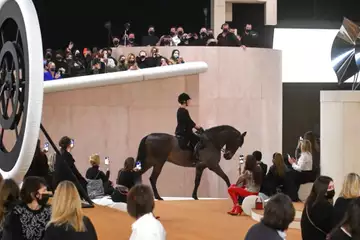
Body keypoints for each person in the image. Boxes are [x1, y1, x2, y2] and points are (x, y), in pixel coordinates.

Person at [301, 176, 335, 240]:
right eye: (331, 188)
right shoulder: (326, 207)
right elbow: (331, 228)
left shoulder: (309, 202)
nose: (333, 190)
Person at [175, 93, 202, 160]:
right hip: (185, 133)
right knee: (198, 141)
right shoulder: (184, 111)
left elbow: (188, 121)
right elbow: (189, 121)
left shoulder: (180, 110)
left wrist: (195, 126)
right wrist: (197, 127)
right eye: (188, 100)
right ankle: (195, 158)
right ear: (184, 101)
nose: (189, 102)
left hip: (182, 131)